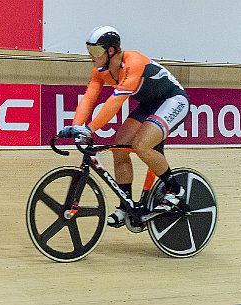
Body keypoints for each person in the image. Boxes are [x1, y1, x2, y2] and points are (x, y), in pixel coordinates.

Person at [59, 25, 190, 228]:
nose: (91, 56)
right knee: (119, 148)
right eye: (89, 50)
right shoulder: (100, 71)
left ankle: (175, 190)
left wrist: (90, 129)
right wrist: (76, 126)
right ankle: (125, 205)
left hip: (173, 100)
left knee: (141, 145)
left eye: (95, 51)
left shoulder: (133, 62)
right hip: (150, 105)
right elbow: (89, 97)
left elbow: (115, 101)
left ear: (111, 51)